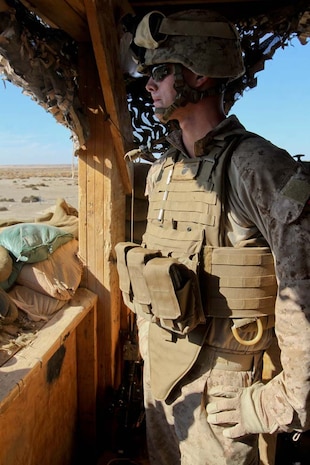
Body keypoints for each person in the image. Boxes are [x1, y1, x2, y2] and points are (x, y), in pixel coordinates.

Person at [116, 9, 310, 465]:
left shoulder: (257, 167)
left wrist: (271, 404)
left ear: (199, 74)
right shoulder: (163, 170)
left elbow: (304, 295)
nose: (149, 85)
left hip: (224, 398)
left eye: (161, 72)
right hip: (164, 382)